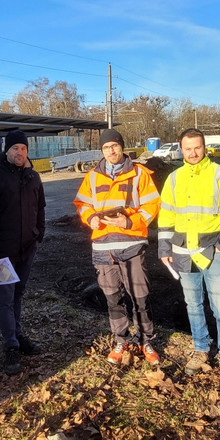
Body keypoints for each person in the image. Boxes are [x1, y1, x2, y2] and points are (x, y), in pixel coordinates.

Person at [158, 128, 220, 393]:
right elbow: (166, 216)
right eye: (188, 148)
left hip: (213, 253)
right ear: (181, 150)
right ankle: (200, 348)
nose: (193, 153)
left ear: (204, 147)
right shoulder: (174, 179)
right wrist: (164, 248)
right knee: (193, 305)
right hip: (184, 252)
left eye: (197, 147)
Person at [73, 129, 161, 366]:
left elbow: (152, 204)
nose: (111, 151)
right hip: (103, 248)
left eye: (114, 146)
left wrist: (129, 221)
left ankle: (146, 341)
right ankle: (120, 340)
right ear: (101, 151)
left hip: (132, 245)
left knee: (140, 297)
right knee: (113, 299)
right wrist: (90, 218)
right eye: (106, 147)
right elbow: (82, 204)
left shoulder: (139, 174)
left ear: (122, 147)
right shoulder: (92, 176)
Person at [0, 130, 46, 375]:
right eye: (15, 148)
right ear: (6, 150)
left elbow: (40, 207)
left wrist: (39, 234)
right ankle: (11, 347)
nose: (20, 152)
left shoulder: (33, 178)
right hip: (1, 255)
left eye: (24, 148)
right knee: (5, 299)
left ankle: (17, 335)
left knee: (18, 295)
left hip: (27, 250)